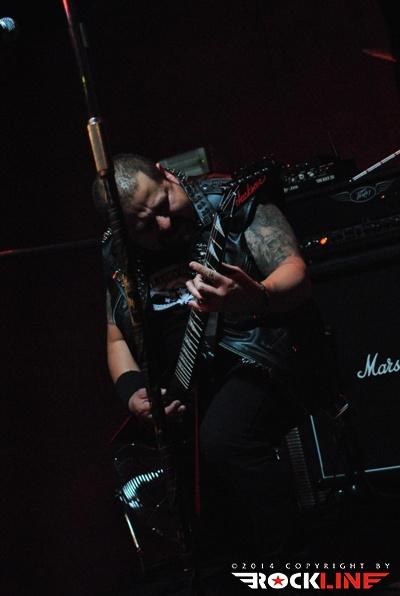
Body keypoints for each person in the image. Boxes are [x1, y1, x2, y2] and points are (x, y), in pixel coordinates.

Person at [93, 153, 322, 593]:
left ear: (166, 175)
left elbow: (297, 274)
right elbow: (116, 335)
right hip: (185, 387)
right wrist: (134, 391)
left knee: (224, 438)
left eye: (163, 204)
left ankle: (291, 571)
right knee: (182, 484)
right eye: (144, 225)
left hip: (262, 353)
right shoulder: (116, 252)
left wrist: (254, 295)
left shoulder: (229, 202)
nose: (163, 225)